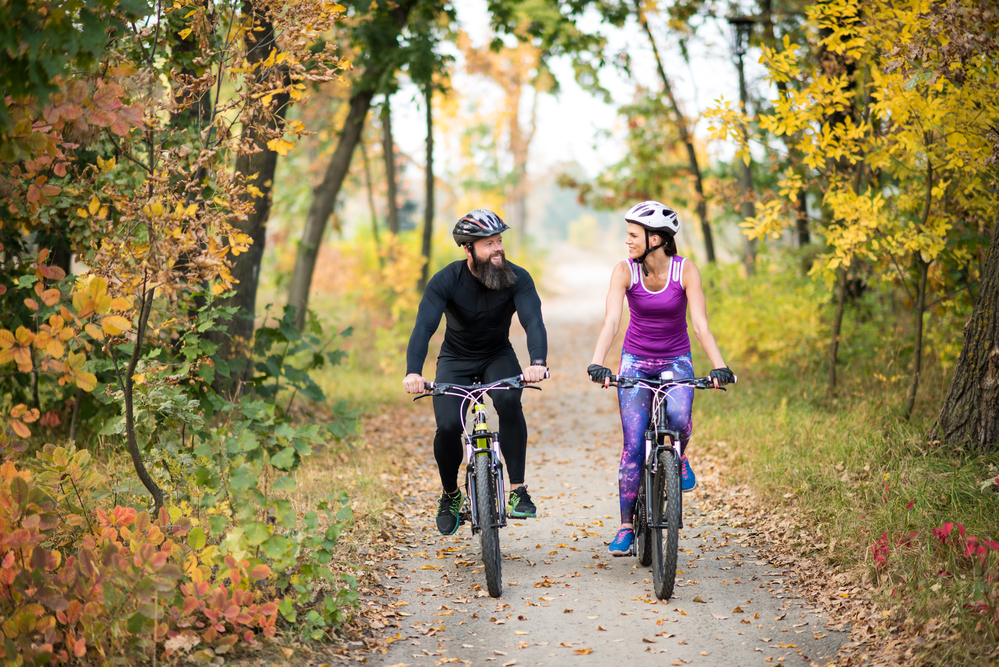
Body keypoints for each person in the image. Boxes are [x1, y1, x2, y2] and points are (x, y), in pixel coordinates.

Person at [587, 201, 735, 556]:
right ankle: (625, 526)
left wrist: (719, 365)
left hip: (676, 359)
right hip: (635, 361)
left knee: (680, 418)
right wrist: (597, 362)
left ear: (657, 238)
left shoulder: (686, 271)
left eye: (634, 235)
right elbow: (612, 322)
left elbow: (699, 324)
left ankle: (678, 456)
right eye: (628, 235)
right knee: (634, 445)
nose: (628, 241)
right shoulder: (624, 271)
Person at [404, 209, 549, 535]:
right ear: (468, 249)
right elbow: (424, 327)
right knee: (448, 425)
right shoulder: (446, 280)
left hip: (497, 355)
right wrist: (414, 371)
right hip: (456, 358)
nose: (497, 248)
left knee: (510, 403)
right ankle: (451, 495)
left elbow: (533, 321)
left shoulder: (517, 278)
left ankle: (518, 490)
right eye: (488, 244)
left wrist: (537, 362)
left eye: (499, 240)